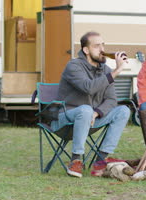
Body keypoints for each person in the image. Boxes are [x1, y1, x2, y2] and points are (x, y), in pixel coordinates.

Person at [51, 31, 131, 178]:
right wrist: (117, 71)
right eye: (96, 46)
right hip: (66, 119)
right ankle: (76, 160)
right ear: (86, 50)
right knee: (86, 110)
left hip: (91, 119)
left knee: (123, 111)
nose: (102, 49)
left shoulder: (105, 70)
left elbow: (111, 100)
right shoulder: (73, 66)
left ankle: (101, 160)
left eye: (103, 45)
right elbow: (88, 87)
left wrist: (97, 112)